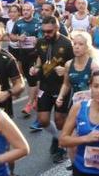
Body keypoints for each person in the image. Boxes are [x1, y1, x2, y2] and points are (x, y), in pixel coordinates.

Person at [30, 16, 74, 163]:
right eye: (44, 31)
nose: (46, 34)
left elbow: (75, 62)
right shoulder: (41, 41)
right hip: (45, 85)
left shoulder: (67, 43)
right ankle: (57, 137)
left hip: (62, 86)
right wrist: (36, 68)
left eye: (49, 31)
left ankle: (62, 146)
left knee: (60, 120)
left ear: (57, 28)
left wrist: (66, 69)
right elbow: (40, 59)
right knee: (43, 120)